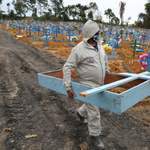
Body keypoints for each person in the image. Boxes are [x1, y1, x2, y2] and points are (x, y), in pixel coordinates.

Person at [62, 20, 110, 150]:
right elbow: (67, 67)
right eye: (96, 33)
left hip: (99, 84)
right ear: (90, 34)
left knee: (91, 104)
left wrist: (107, 72)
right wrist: (67, 86)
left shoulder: (100, 45)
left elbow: (104, 59)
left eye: (99, 32)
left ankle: (80, 113)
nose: (99, 35)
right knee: (94, 110)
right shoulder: (78, 50)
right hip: (87, 85)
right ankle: (95, 135)